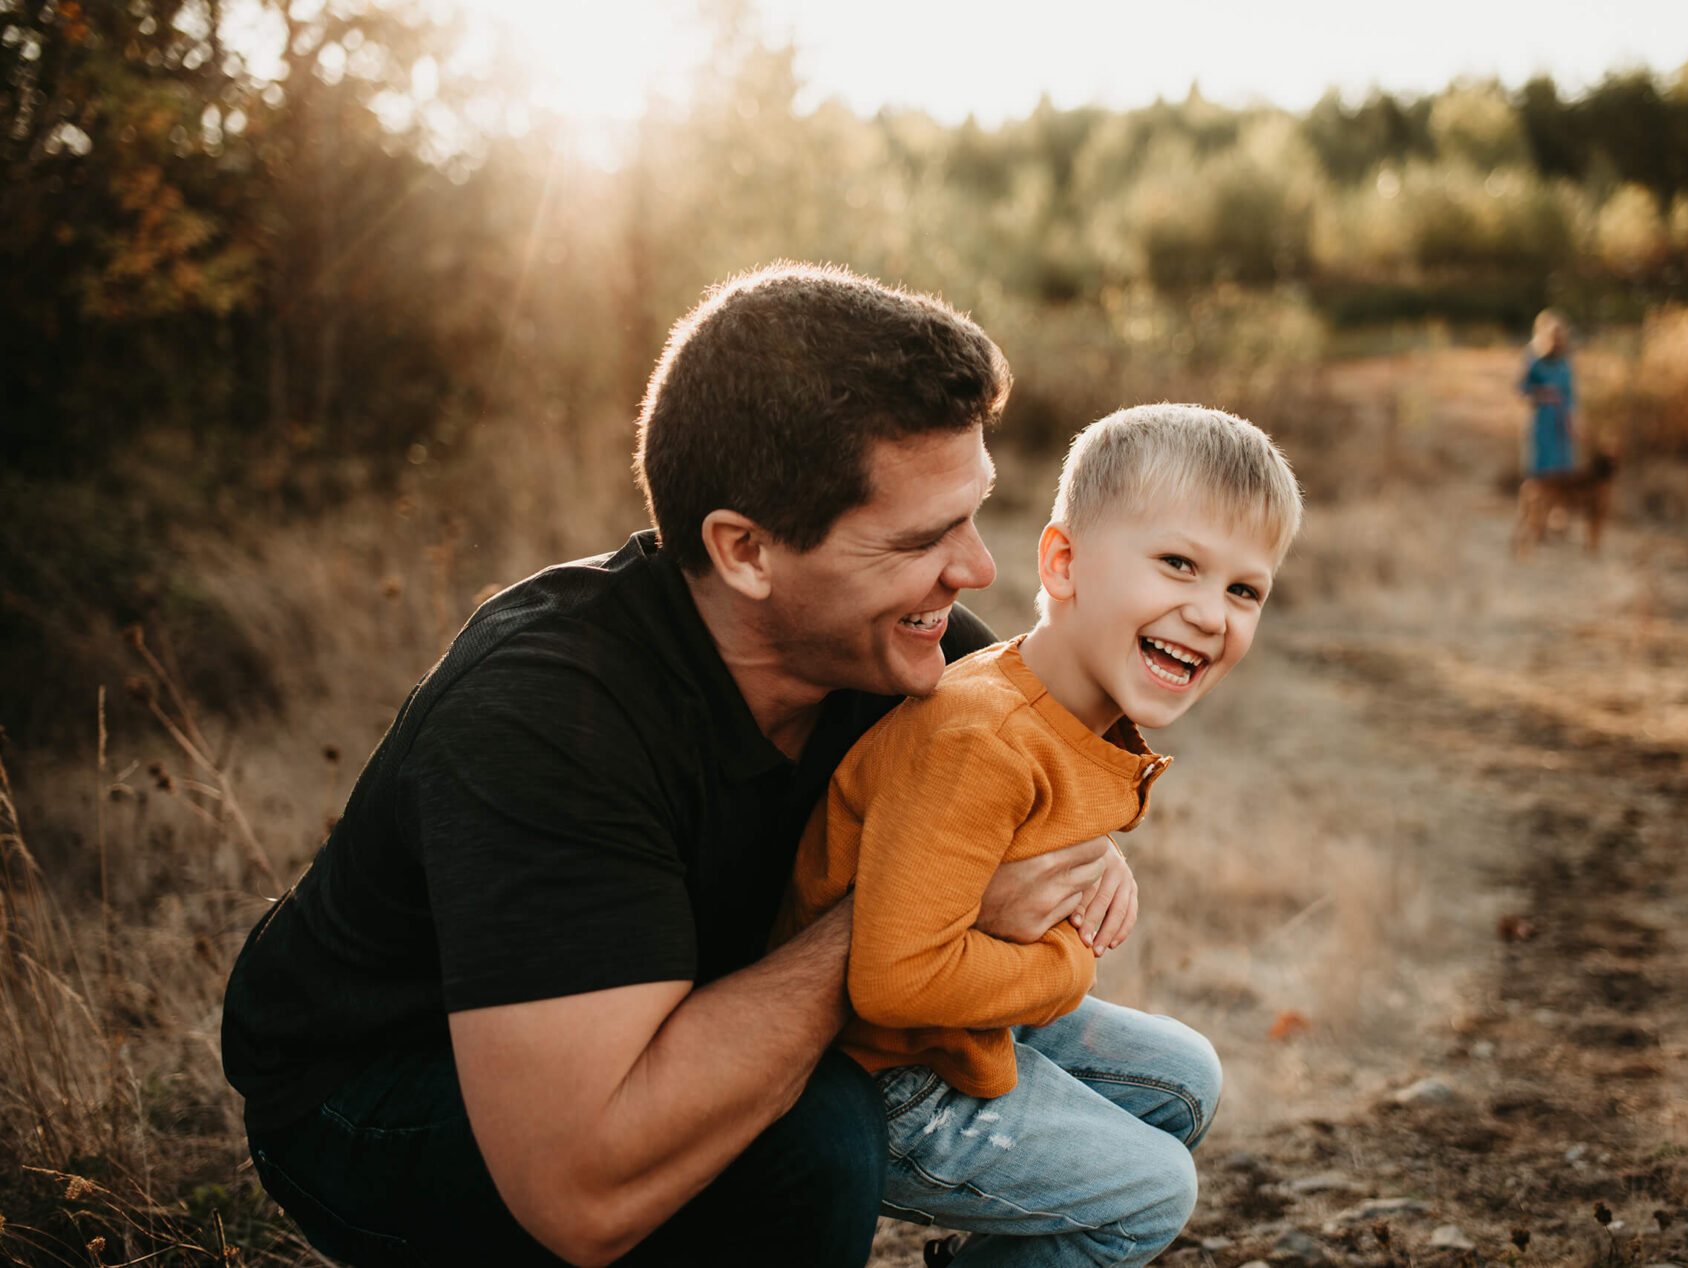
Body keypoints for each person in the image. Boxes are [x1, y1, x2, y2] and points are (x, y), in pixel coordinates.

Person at [218, 263, 1139, 1268]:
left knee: (1152, 1083)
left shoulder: (907, 644)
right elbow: (580, 1192)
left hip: (691, 998)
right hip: (389, 1093)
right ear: (745, 550)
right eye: (920, 537)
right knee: (809, 1139)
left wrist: (1076, 858)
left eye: (972, 513)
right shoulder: (544, 715)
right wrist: (899, 909)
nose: (974, 569)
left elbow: (1052, 797)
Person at [779, 405, 1304, 1267]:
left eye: (1244, 590)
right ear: (1063, 564)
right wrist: (1065, 967)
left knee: (1186, 1079)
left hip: (962, 1019)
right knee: (1152, 1193)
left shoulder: (1058, 707)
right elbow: (892, 980)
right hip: (885, 1072)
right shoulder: (980, 739)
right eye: (1179, 564)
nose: (1212, 614)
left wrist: (1099, 863)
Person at [1519, 309, 1576, 477]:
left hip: (1562, 418)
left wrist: (1572, 419)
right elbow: (1522, 390)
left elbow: (1571, 393)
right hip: (1542, 419)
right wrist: (1543, 394)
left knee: (1563, 466)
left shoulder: (1564, 361)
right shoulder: (1533, 358)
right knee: (1541, 466)